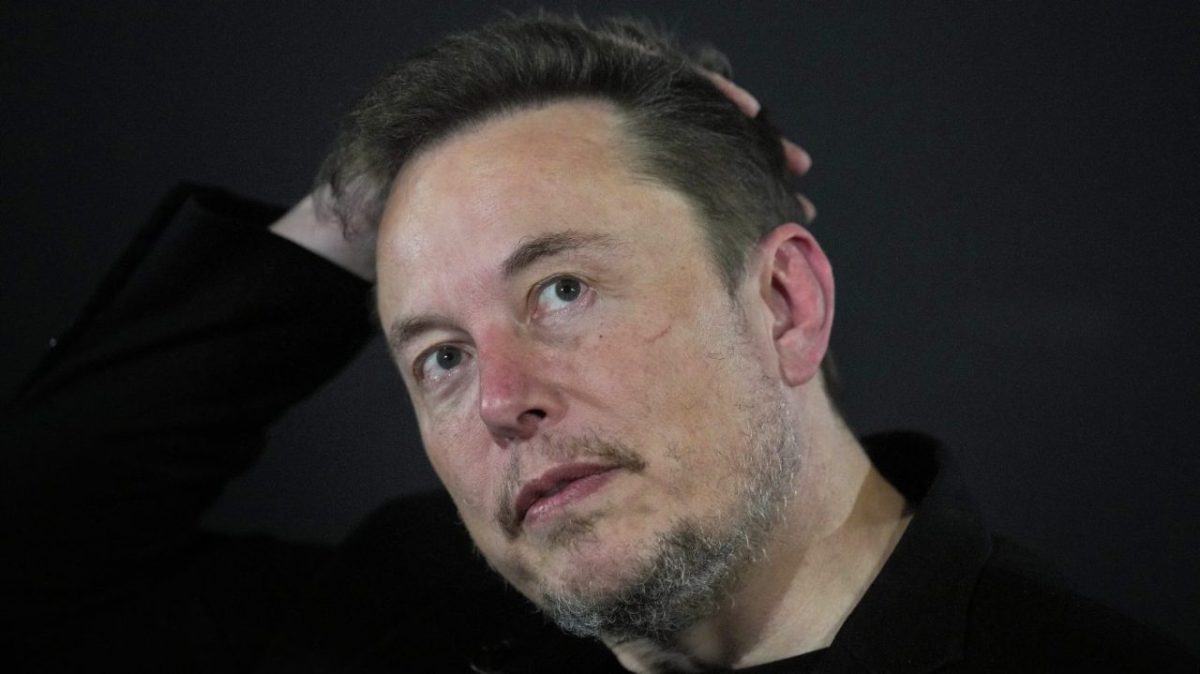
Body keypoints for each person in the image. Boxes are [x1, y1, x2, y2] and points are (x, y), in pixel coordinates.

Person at [4, 12, 1194, 674]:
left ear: (785, 303)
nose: (499, 398)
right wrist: (356, 212)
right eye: (440, 354)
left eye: (562, 289)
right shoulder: (408, 611)